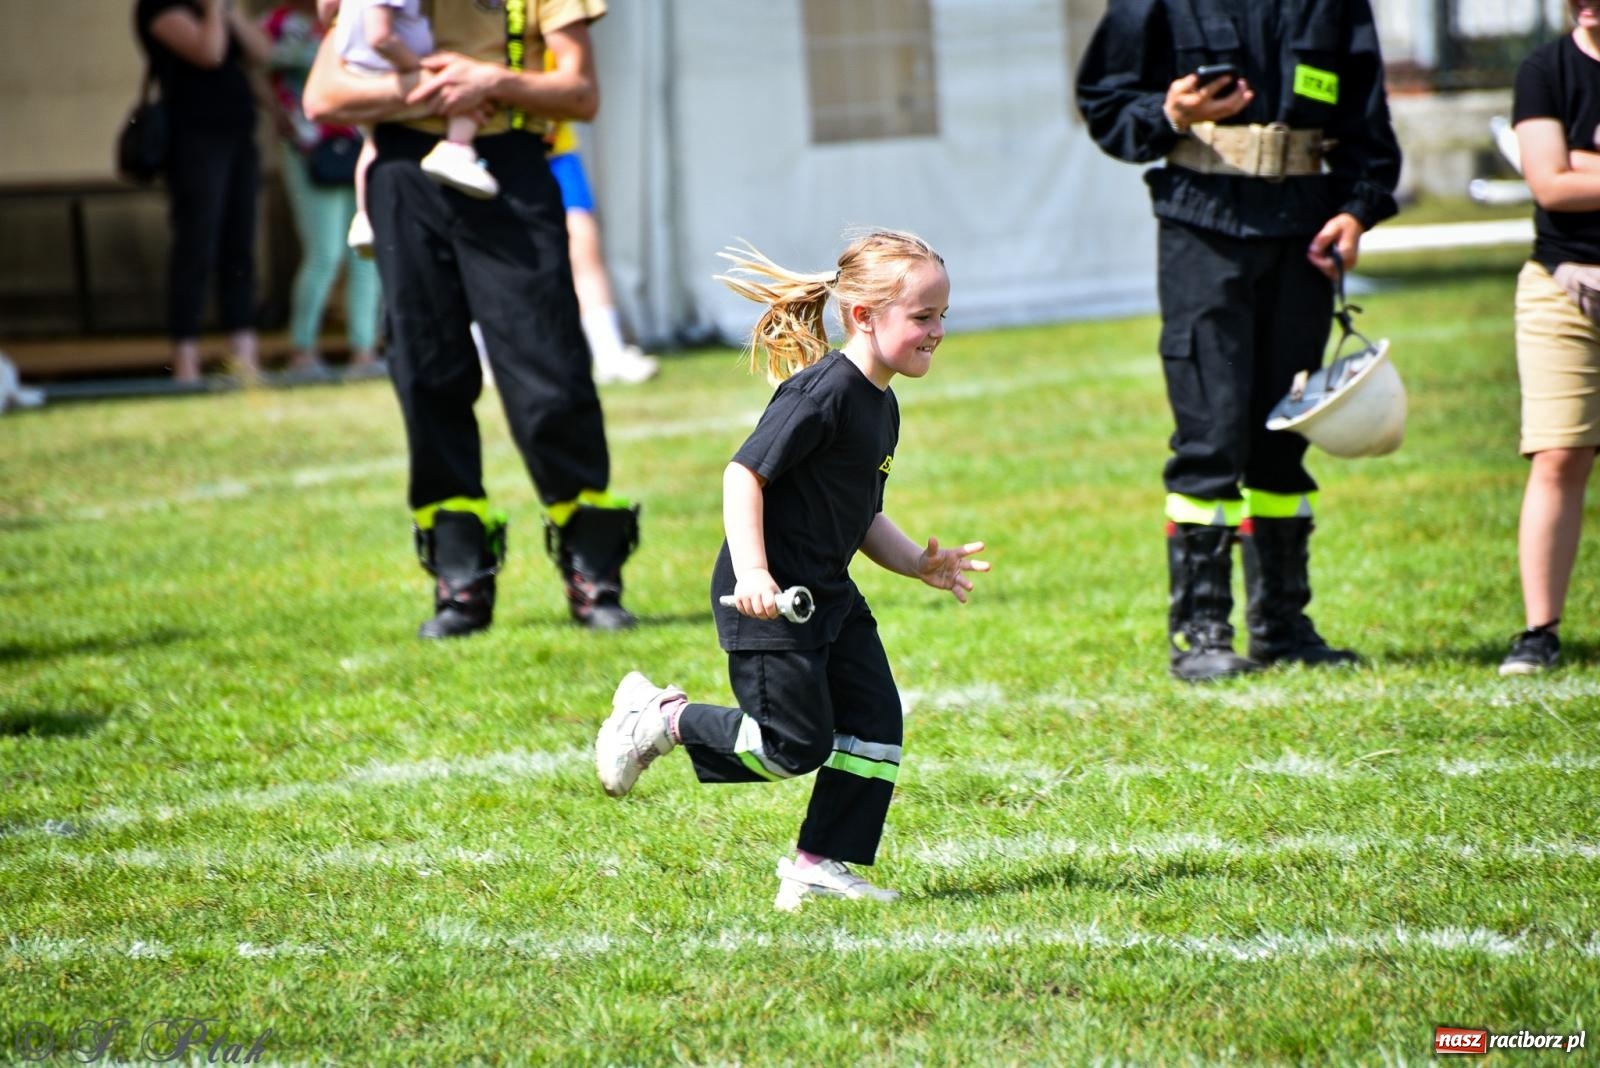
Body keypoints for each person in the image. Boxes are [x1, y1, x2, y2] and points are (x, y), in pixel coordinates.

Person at [594, 231, 990, 911]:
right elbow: (744, 474)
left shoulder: (880, 402)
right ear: (864, 316)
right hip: (769, 602)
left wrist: (916, 564)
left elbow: (859, 514)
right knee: (791, 746)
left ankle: (819, 861)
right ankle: (662, 720)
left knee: (874, 723)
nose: (938, 332)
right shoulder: (821, 393)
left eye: (941, 316)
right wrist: (752, 572)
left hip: (826, 595)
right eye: (923, 317)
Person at [1075, 0, 1402, 682]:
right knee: (1212, 437)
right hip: (1204, 228)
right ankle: (1202, 633)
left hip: (1304, 234)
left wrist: (1356, 208)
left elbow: (1366, 115)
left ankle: (1283, 627)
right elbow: (1105, 103)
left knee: (1285, 437)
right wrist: (1172, 113)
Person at [304, 0, 644, 637]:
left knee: (550, 374)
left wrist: (494, 81)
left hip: (510, 167)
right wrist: (424, 88)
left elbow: (581, 93)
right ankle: (459, 577)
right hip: (405, 172)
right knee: (427, 371)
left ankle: (593, 571)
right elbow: (322, 98)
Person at [1500, 0, 1600, 675]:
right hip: (1565, 286)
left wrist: (1582, 164)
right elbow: (1550, 183)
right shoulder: (1545, 69)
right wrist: (1568, 171)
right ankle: (1540, 632)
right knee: (1560, 454)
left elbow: (1571, 173)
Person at [135, 0, 273, 384]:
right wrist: (213, 10)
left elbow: (262, 52)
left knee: (240, 245)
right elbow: (209, 53)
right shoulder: (159, 8)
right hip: (194, 143)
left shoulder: (222, 6)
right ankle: (185, 360)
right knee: (196, 246)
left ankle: (244, 355)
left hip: (237, 138)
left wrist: (227, 11)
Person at [263, 0, 382, 376]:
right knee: (325, 254)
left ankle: (365, 351)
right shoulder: (277, 24)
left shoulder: (362, 18)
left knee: (366, 253)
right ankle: (303, 351)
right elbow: (254, 61)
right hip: (309, 151)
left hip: (358, 146)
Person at [336, 0, 498, 261]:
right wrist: (420, 69)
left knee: (371, 144)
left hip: (357, 67)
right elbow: (381, 37)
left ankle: (364, 217)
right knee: (464, 91)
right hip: (389, 68)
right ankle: (456, 149)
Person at [546, 119, 659, 385]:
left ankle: (609, 352)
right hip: (495, 151)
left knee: (584, 246)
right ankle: (485, 358)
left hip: (556, 151)